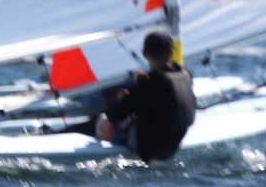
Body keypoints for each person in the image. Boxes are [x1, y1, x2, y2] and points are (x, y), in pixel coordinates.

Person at [66, 30, 197, 161]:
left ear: (145, 54)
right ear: (172, 51)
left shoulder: (151, 83)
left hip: (148, 150)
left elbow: (115, 114)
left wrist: (121, 97)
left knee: (102, 120)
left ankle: (65, 134)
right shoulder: (186, 75)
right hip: (173, 146)